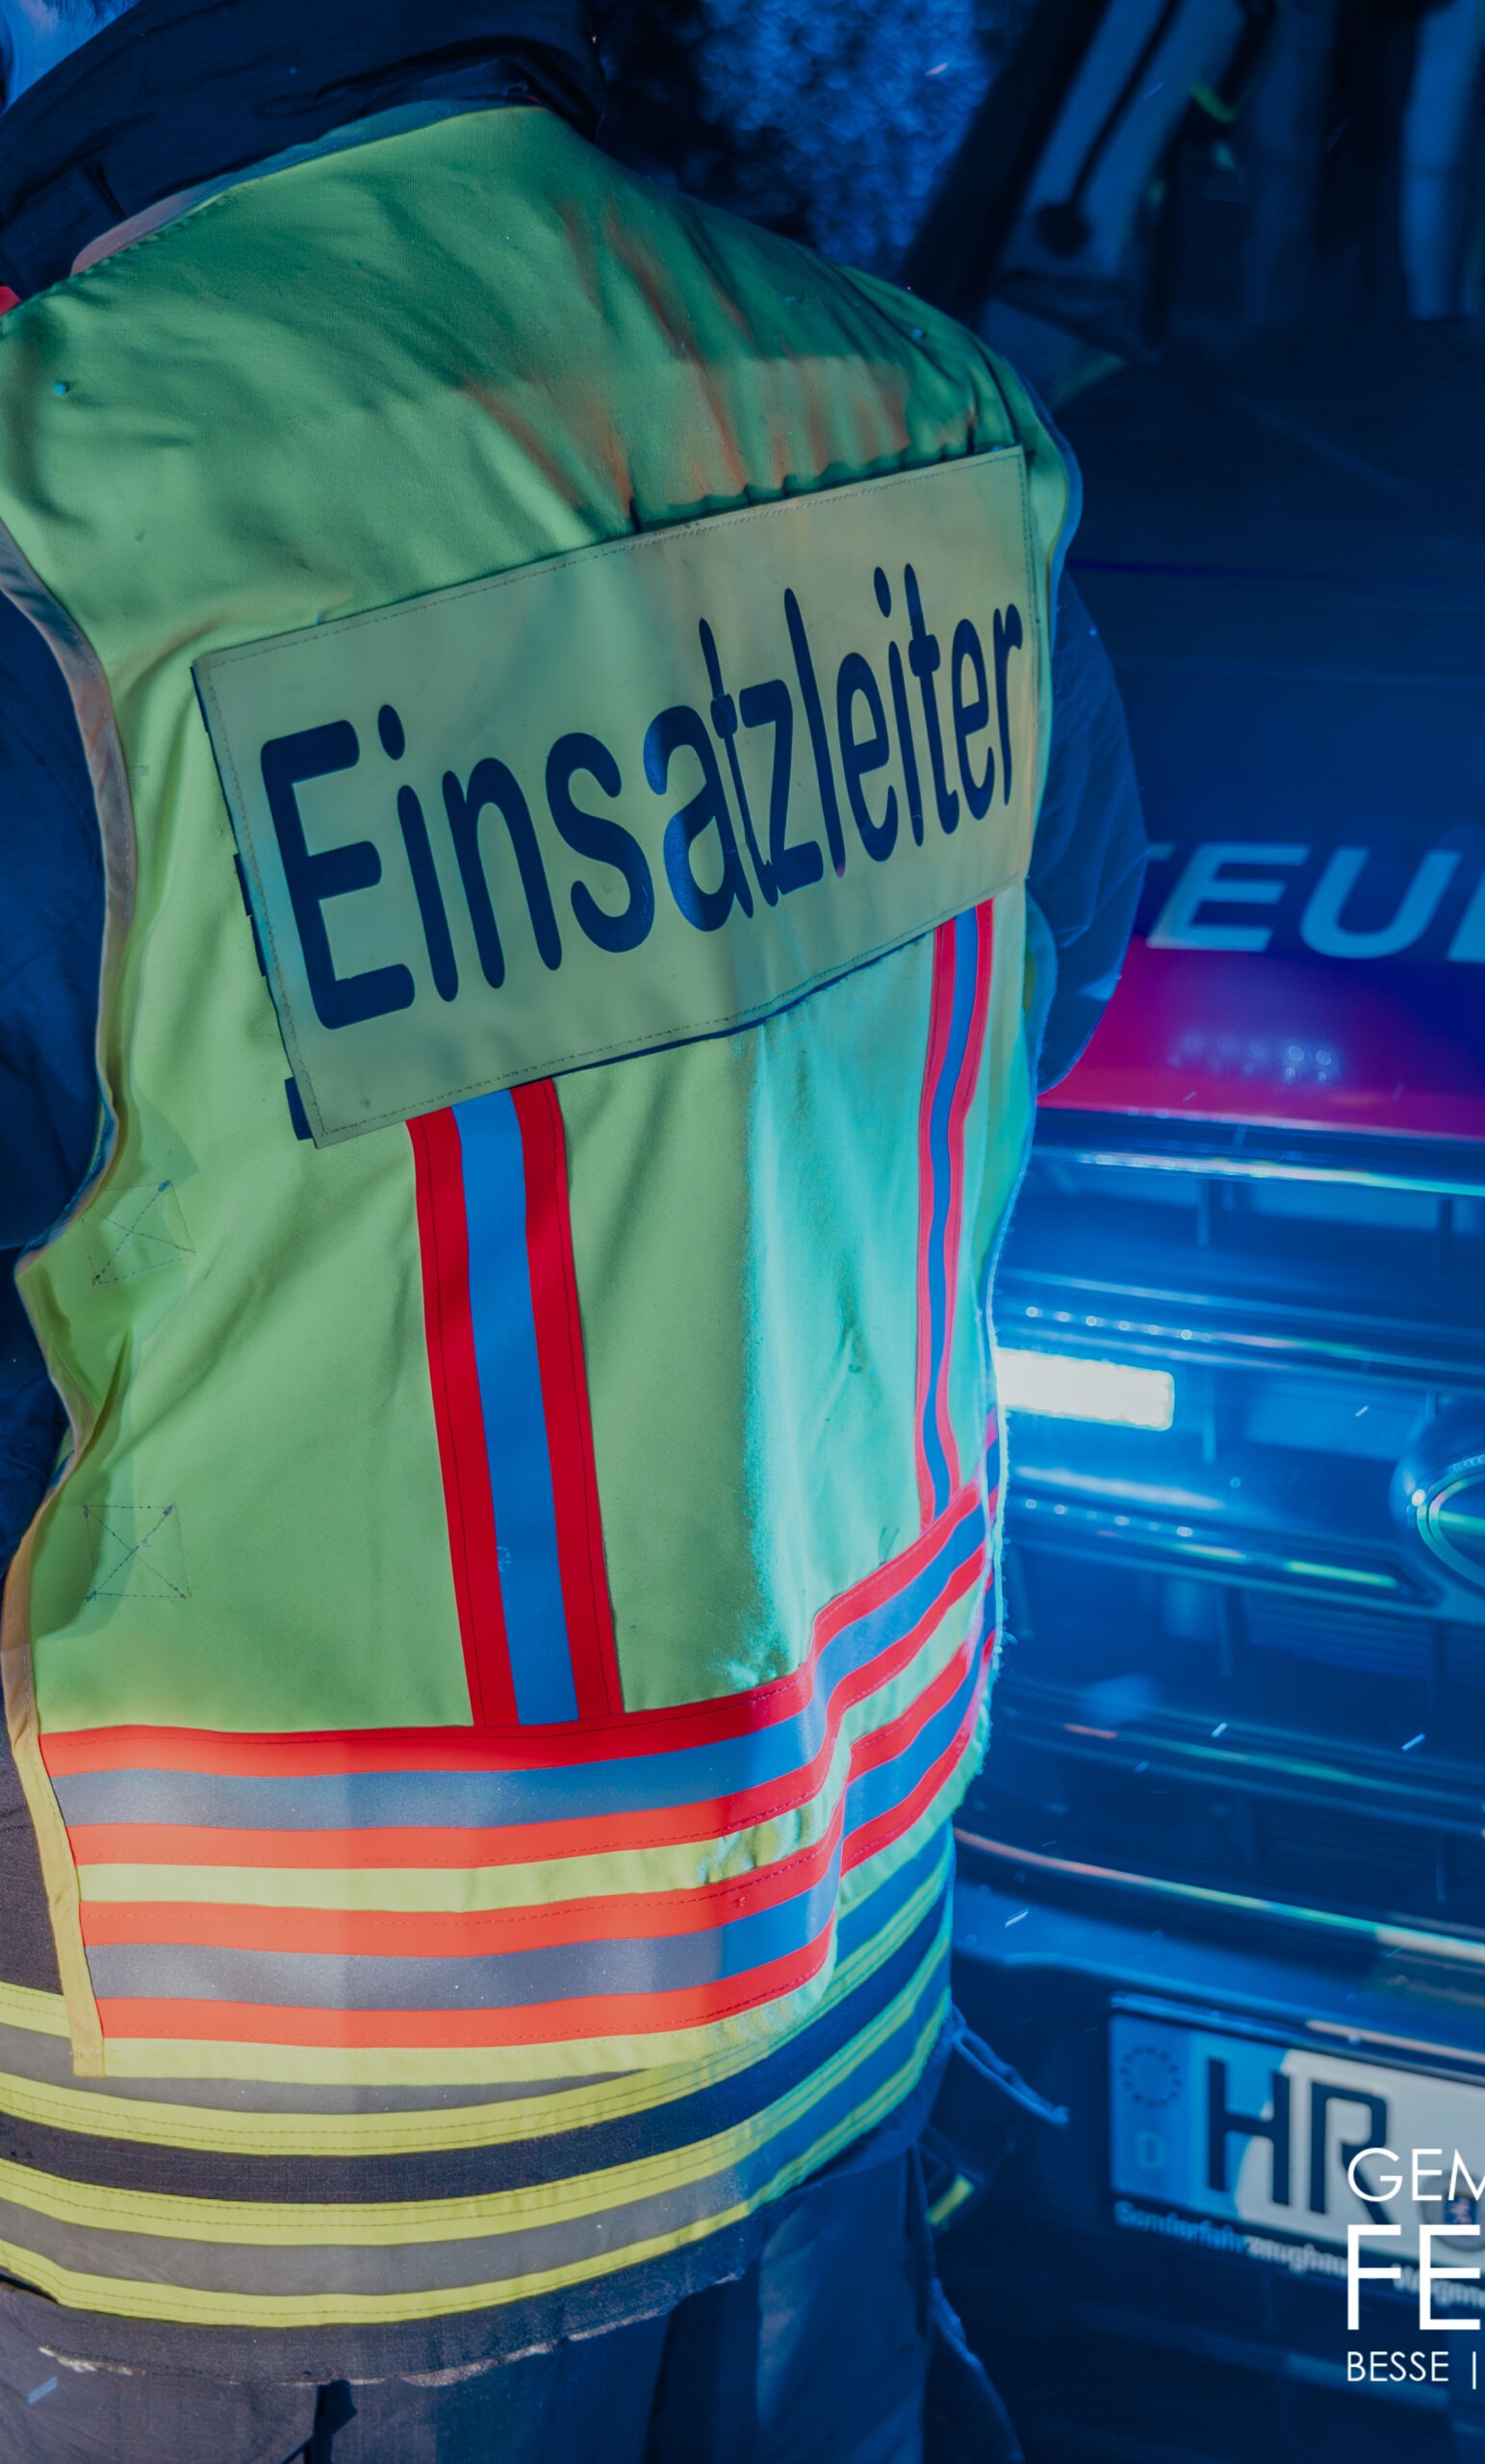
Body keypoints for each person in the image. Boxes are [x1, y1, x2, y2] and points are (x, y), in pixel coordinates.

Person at [0, 2, 1146, 2457]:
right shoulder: (915, 404)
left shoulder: (55, 504)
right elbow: (1008, 1015)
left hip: (250, 2209)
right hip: (821, 2021)